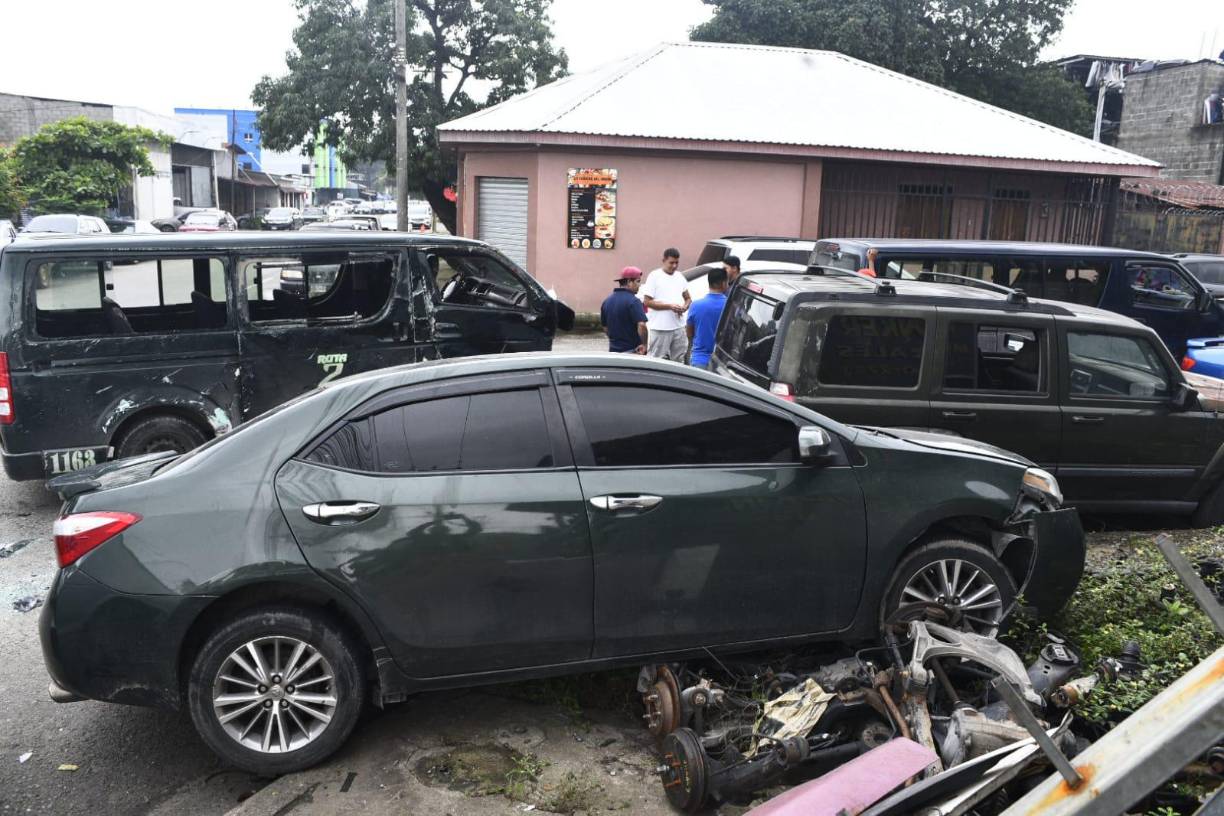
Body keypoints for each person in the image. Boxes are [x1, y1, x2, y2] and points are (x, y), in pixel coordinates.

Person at [640, 248, 690, 361]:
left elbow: (688, 298)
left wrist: (685, 307)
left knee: (679, 359)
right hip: (660, 327)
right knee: (656, 360)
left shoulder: (680, 276)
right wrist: (669, 306)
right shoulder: (654, 276)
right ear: (663, 260)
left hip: (679, 327)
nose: (674, 266)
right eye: (671, 262)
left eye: (677, 262)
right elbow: (647, 302)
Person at [686, 266, 729, 369]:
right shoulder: (730, 306)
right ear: (723, 283)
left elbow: (689, 333)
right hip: (722, 364)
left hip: (699, 359)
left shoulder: (695, 305)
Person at [600, 267, 648, 354]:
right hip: (632, 351)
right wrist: (644, 345)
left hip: (613, 352)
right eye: (638, 281)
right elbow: (642, 325)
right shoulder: (634, 301)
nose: (639, 285)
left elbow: (605, 328)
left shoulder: (606, 301)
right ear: (629, 282)